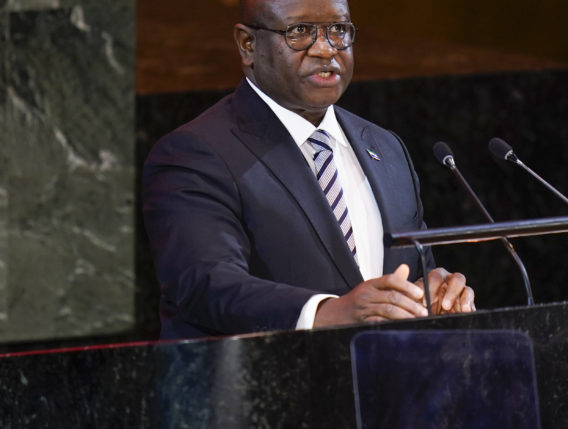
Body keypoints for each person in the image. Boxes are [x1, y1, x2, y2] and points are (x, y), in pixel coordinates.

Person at [142, 0, 475, 339]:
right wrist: (328, 312)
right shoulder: (195, 153)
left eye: (339, 30)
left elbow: (414, 271)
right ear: (248, 45)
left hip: (388, 380)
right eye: (299, 31)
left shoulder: (387, 148)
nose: (325, 49)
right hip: (269, 385)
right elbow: (206, 284)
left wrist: (437, 294)